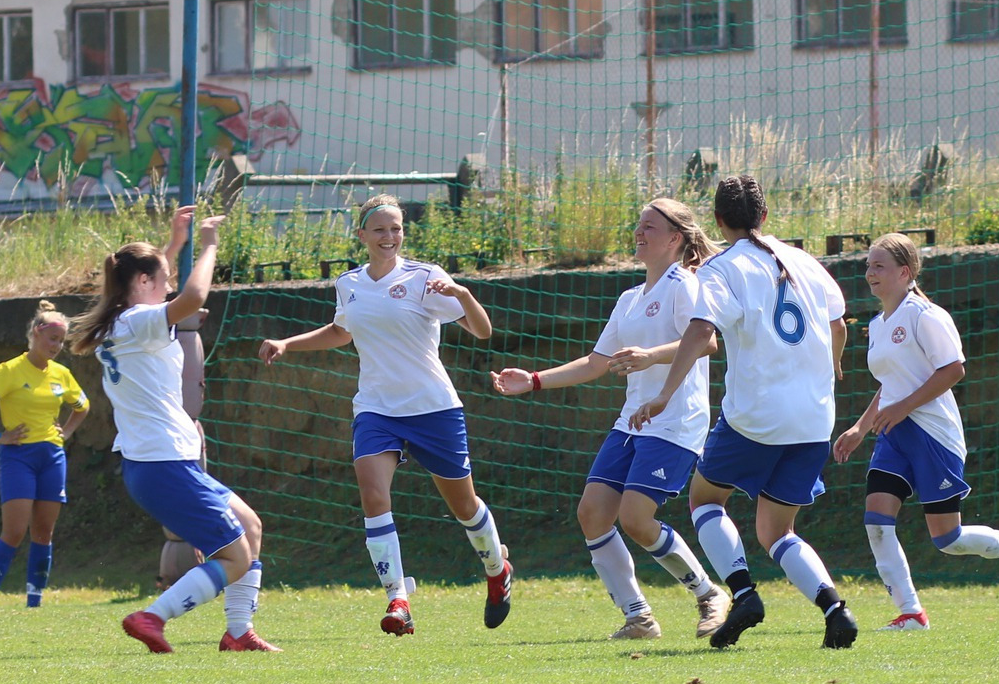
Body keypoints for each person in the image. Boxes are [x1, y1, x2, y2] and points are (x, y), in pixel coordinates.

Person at [258, 193, 512, 636]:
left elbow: (482, 330)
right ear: (362, 235)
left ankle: (497, 569)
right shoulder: (348, 283)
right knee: (373, 495)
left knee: (465, 506)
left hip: (433, 408)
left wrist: (463, 294)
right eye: (380, 229)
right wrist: (287, 343)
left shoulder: (426, 277)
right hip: (376, 409)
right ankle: (398, 599)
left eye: (396, 228)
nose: (389, 236)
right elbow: (340, 331)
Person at [632, 175, 858, 649]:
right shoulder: (805, 261)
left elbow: (700, 332)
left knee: (706, 499)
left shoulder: (721, 269)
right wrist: (834, 364)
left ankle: (743, 594)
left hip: (756, 416)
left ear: (718, 220)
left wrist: (665, 394)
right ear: (765, 216)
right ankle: (835, 609)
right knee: (777, 530)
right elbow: (838, 324)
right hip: (815, 419)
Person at [491, 199, 730, 640]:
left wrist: (650, 357)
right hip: (632, 422)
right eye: (638, 225)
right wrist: (534, 380)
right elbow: (596, 362)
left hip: (675, 419)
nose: (639, 233)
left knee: (636, 518)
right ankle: (639, 617)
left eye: (650, 227)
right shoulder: (629, 298)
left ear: (675, 238)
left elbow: (707, 341)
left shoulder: (684, 284)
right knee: (592, 514)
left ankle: (709, 594)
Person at [68, 205, 279, 653]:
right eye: (162, 279)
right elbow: (192, 298)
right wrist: (209, 247)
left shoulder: (122, 321)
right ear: (144, 282)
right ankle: (152, 617)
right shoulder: (139, 322)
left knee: (250, 528)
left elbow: (156, 288)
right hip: (163, 464)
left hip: (162, 463)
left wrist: (175, 244)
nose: (168, 287)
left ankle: (238, 633)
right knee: (235, 556)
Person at [833, 233, 999, 625]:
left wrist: (903, 408)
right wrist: (860, 428)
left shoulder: (925, 315)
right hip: (895, 436)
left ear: (905, 272)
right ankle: (911, 613)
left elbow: (953, 369)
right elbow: (891, 384)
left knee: (947, 539)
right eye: (868, 265)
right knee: (877, 521)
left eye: (879, 265)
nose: (870, 273)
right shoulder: (878, 324)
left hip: (933, 436)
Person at [0, 301, 90, 608]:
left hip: (52, 457)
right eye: (52, 339)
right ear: (36, 333)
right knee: (15, 531)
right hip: (18, 457)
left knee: (44, 531)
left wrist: (66, 432)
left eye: (61, 341)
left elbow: (82, 406)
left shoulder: (61, 374)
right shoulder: (10, 370)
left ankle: (35, 599)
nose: (56, 346)